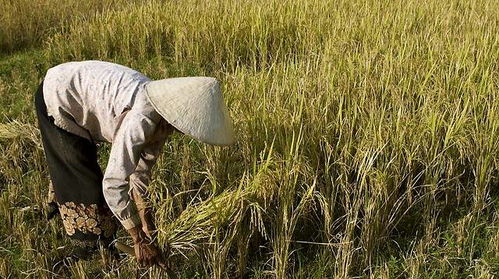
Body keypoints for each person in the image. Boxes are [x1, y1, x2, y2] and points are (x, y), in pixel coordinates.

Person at [34, 60, 235, 267]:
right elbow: (113, 184)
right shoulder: (142, 118)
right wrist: (138, 239)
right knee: (86, 184)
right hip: (57, 95)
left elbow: (139, 174)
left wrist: (147, 225)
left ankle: (92, 230)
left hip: (77, 93)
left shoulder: (162, 118)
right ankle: (90, 248)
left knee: (78, 165)